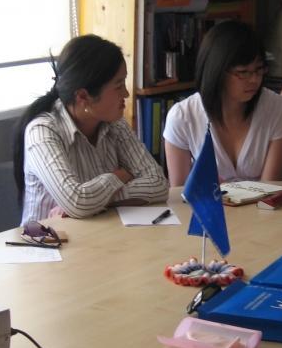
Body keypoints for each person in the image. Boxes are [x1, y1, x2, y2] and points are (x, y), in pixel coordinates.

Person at [13, 34, 168, 222]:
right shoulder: (42, 132)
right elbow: (78, 202)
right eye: (118, 86)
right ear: (83, 97)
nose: (126, 93)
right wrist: (119, 176)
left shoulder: (114, 123)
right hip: (48, 245)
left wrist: (99, 201)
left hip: (99, 237)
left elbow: (159, 184)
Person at [163, 21, 282, 185]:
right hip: (209, 209)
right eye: (243, 72)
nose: (254, 79)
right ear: (217, 71)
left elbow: (270, 190)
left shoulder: (278, 108)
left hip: (262, 209)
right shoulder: (182, 116)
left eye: (259, 69)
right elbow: (179, 193)